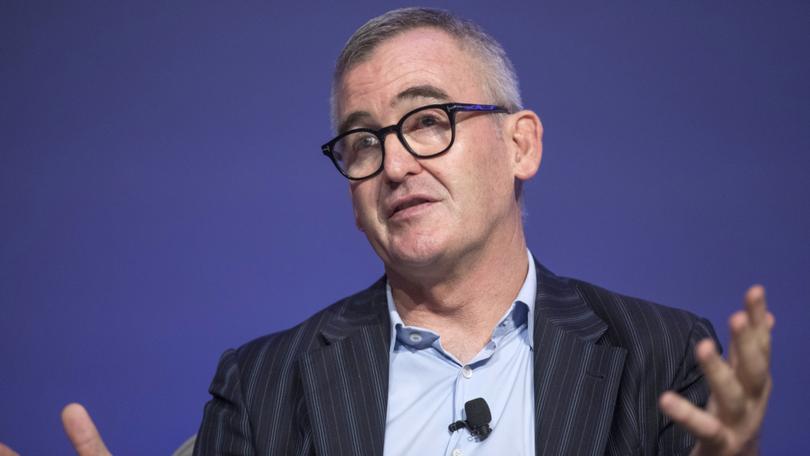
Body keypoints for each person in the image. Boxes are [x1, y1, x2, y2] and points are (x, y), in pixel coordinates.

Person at [0, 7, 773, 456]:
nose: (395, 162)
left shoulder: (662, 355)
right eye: (363, 140)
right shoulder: (263, 385)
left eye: (428, 120)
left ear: (521, 144)